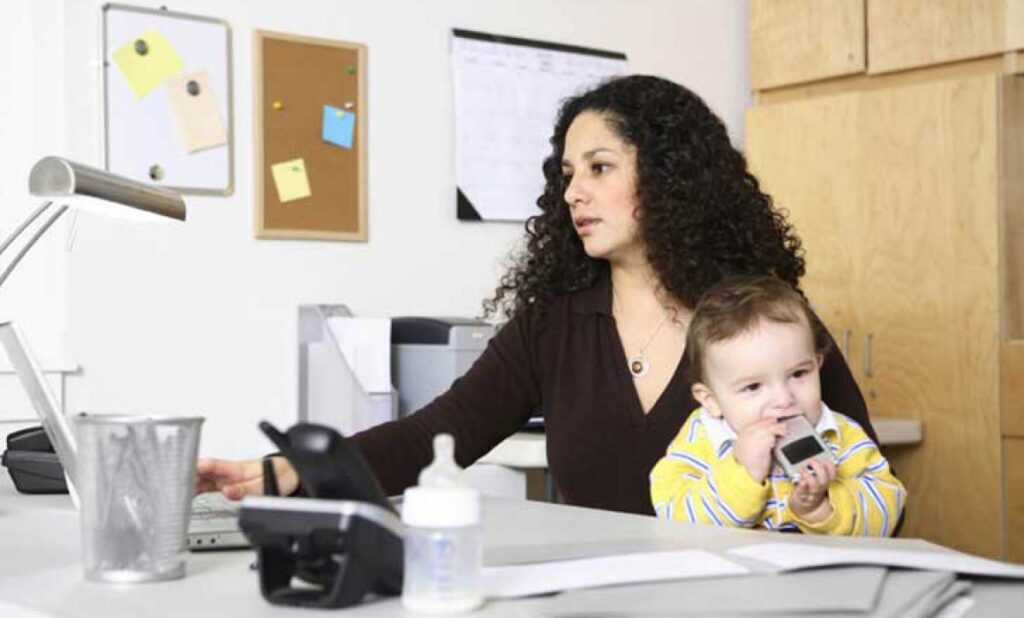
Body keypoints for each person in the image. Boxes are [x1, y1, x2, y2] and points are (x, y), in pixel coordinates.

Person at [196, 75, 879, 516]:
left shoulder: (765, 320)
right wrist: (296, 469)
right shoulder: (552, 325)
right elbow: (433, 437)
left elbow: (873, 485)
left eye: (600, 168)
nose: (573, 192)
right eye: (567, 173)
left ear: (672, 178)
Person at [649, 275, 905, 535]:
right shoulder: (701, 438)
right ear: (711, 401)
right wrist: (742, 473)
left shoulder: (841, 435)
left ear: (817, 365)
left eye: (798, 374)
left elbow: (887, 507)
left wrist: (821, 508)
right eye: (753, 387)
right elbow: (675, 518)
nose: (784, 400)